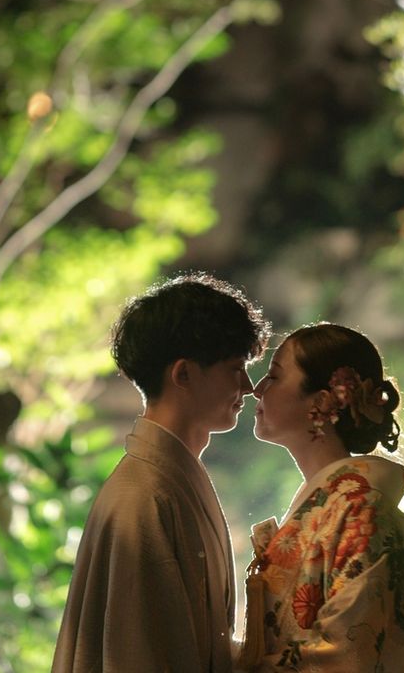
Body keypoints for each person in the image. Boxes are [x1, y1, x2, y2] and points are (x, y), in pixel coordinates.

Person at [52, 272, 271, 673]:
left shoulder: (167, 479)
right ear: (183, 374)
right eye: (234, 368)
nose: (248, 386)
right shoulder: (145, 497)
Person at [237, 323, 404, 672]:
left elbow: (344, 657)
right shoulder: (340, 507)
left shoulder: (359, 510)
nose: (258, 389)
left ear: (320, 401)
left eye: (274, 376)